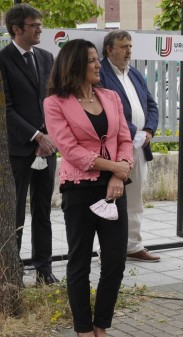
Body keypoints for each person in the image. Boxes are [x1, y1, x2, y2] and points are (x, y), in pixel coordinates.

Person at [44, 39, 133, 337]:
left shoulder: (110, 97)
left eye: (97, 59)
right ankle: (83, 329)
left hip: (114, 189)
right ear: (76, 66)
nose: (99, 65)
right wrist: (114, 169)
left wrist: (120, 175)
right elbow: (70, 151)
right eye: (93, 60)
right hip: (79, 189)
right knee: (80, 262)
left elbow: (124, 139)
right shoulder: (55, 103)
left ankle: (101, 326)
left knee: (115, 262)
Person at [0, 3, 58, 285]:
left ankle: (44, 271)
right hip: (21, 149)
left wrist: (51, 136)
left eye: (39, 24)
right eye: (34, 25)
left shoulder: (47, 58)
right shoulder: (2, 60)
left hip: (48, 148)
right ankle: (12, 272)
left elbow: (55, 101)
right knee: (16, 213)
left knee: (43, 210)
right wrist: (36, 136)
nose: (40, 30)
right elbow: (6, 109)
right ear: (17, 29)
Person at [99, 30, 161, 262]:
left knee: (136, 197)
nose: (129, 51)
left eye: (130, 46)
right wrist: (133, 132)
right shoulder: (102, 74)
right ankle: (108, 249)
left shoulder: (134, 73)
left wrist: (148, 131)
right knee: (112, 197)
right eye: (123, 47)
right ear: (109, 50)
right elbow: (106, 111)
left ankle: (133, 245)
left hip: (139, 146)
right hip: (115, 148)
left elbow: (151, 105)